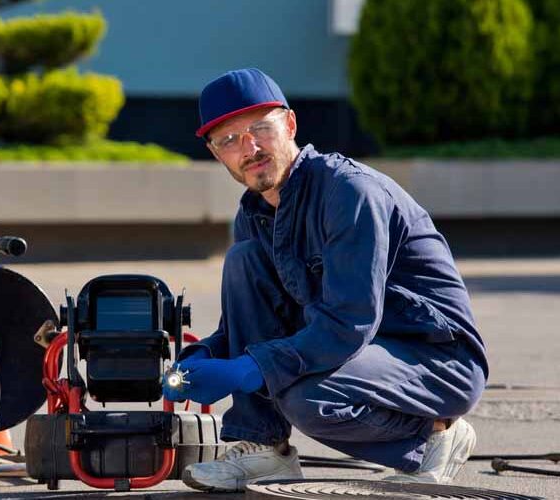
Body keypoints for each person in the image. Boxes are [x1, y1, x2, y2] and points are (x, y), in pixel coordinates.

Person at [162, 68, 489, 492]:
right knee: (243, 261)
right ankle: (265, 448)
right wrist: (204, 353)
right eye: (229, 140)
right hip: (359, 351)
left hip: (433, 359)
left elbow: (347, 322)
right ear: (216, 153)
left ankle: (435, 436)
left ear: (291, 125)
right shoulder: (254, 213)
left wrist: (251, 368)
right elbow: (254, 319)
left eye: (261, 128)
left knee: (308, 399)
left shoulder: (349, 193)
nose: (251, 147)